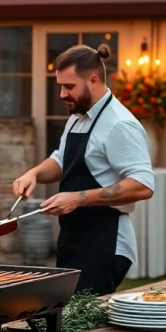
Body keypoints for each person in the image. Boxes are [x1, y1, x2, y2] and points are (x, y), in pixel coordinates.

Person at [12, 44, 153, 295]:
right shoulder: (78, 116)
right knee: (63, 322)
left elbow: (143, 185)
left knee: (84, 328)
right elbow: (61, 160)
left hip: (105, 241)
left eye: (69, 87)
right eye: (60, 86)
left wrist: (78, 198)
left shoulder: (120, 124)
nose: (62, 94)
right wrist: (32, 174)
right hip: (73, 238)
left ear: (93, 80)